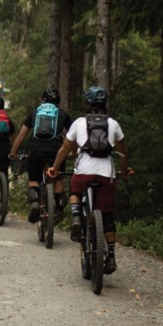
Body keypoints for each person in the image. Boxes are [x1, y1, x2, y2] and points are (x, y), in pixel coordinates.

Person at [47, 86, 132, 274]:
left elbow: (63, 149)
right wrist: (125, 170)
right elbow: (123, 152)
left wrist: (54, 167)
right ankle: (110, 256)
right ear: (105, 104)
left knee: (75, 191)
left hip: (84, 172)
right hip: (106, 174)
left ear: (87, 104)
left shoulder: (79, 123)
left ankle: (76, 216)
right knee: (107, 215)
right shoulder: (113, 124)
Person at [9, 88, 73, 224]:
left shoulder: (35, 112)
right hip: (57, 151)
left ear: (43, 100)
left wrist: (13, 152)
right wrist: (73, 151)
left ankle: (35, 203)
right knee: (57, 178)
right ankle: (59, 210)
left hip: (37, 150)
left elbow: (21, 135)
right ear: (58, 102)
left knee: (34, 179)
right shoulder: (62, 114)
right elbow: (73, 135)